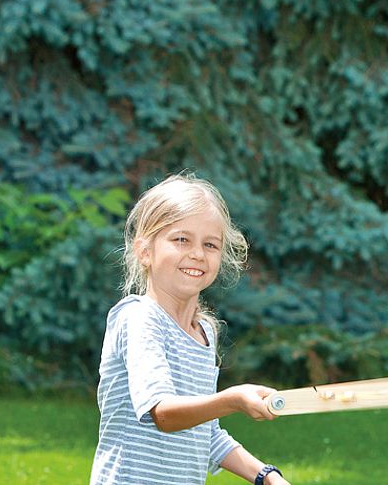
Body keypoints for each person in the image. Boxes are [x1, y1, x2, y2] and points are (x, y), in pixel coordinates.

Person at [90, 173, 291, 485]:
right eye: (181, 239)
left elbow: (203, 431)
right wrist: (234, 399)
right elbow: (165, 414)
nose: (198, 253)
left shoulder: (204, 335)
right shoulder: (140, 318)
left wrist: (266, 476)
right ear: (145, 251)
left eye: (210, 244)